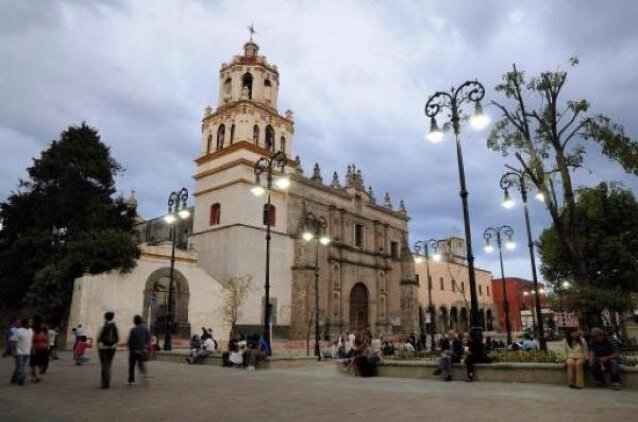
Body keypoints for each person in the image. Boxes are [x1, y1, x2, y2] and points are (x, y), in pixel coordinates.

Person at [97, 311, 119, 389]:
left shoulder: (102, 325)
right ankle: (106, 381)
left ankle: (105, 382)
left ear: (105, 317)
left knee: (104, 365)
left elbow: (98, 336)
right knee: (109, 364)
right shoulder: (115, 326)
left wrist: (99, 345)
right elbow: (117, 337)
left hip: (103, 348)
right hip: (112, 348)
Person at [127, 315, 150, 386]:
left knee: (132, 365)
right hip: (142, 349)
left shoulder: (133, 330)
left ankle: (131, 380)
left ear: (135, 322)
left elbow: (130, 341)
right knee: (141, 363)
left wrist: (130, 348)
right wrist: (144, 346)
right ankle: (144, 374)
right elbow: (148, 338)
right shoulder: (145, 329)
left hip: (134, 350)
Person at [10, 318, 33, 385]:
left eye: (31, 322)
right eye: (29, 322)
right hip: (19, 351)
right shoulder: (19, 331)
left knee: (22, 366)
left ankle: (14, 378)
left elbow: (30, 341)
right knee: (20, 366)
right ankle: (21, 379)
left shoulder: (31, 330)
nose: (31, 323)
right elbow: (13, 342)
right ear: (25, 323)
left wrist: (32, 349)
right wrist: (14, 351)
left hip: (27, 351)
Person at [29, 317, 49, 382]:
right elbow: (31, 341)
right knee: (34, 363)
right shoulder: (35, 332)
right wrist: (32, 349)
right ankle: (35, 376)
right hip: (35, 349)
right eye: (42, 324)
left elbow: (47, 340)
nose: (43, 325)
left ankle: (36, 376)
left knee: (40, 363)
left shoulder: (44, 332)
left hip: (43, 350)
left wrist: (46, 345)